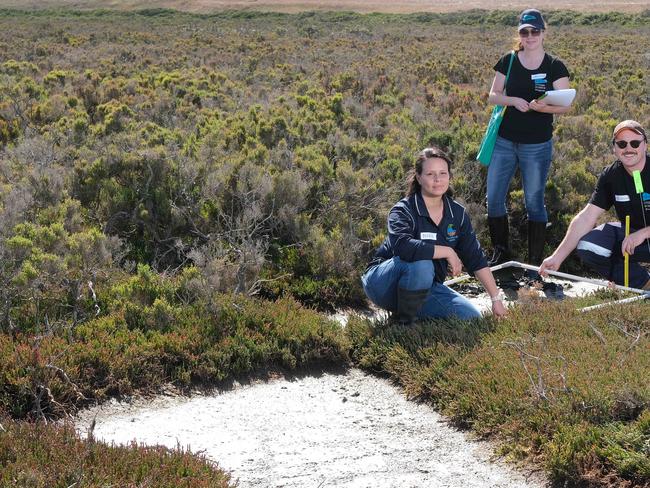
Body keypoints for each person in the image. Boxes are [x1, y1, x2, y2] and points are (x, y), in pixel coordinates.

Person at [362, 147, 507, 323]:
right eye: (430, 174)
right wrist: (447, 251)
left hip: (424, 288)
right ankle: (404, 324)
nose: (438, 179)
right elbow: (404, 248)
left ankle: (412, 315)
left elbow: (475, 258)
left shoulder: (457, 214)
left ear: (449, 176)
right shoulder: (403, 210)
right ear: (418, 177)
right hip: (383, 285)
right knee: (422, 264)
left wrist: (495, 298)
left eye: (443, 173)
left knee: (471, 318)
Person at [485, 8, 571, 275]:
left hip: (537, 144)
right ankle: (502, 256)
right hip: (504, 141)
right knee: (494, 198)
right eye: (525, 31)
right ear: (519, 34)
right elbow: (493, 95)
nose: (530, 36)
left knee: (534, 201)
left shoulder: (555, 66)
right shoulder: (508, 60)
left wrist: (541, 107)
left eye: (535, 31)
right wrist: (514, 101)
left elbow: (564, 104)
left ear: (543, 32)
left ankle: (534, 263)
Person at [539, 120, 650, 289]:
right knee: (589, 245)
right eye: (621, 144)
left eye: (635, 143)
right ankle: (643, 284)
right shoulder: (611, 176)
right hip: (632, 240)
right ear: (614, 148)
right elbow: (587, 217)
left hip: (639, 237)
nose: (628, 148)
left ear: (645, 145)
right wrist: (557, 257)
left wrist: (643, 233)